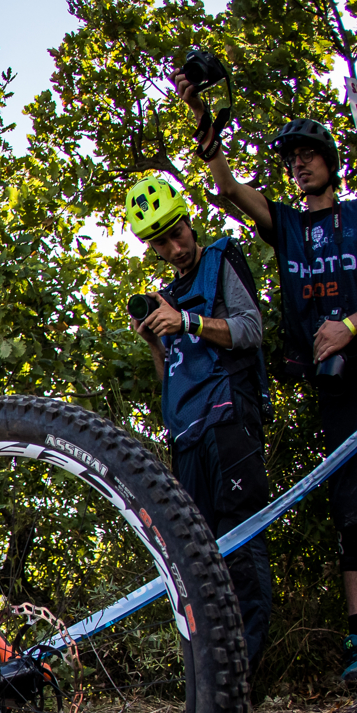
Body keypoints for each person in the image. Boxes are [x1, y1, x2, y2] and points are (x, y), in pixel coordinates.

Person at [183, 95, 357, 683]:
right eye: (292, 160)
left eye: (310, 155)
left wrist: (349, 327)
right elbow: (234, 190)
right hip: (333, 387)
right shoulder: (287, 226)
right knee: (353, 508)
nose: (300, 166)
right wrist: (207, 136)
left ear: (332, 162)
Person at [124, 173, 276, 664]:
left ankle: (250, 668)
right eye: (161, 242)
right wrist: (154, 339)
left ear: (191, 221)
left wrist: (187, 320)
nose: (174, 247)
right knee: (201, 554)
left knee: (243, 541)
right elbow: (171, 373)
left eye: (177, 233)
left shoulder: (221, 258)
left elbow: (252, 328)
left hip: (230, 416)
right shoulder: (166, 294)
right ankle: (218, 670)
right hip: (186, 432)